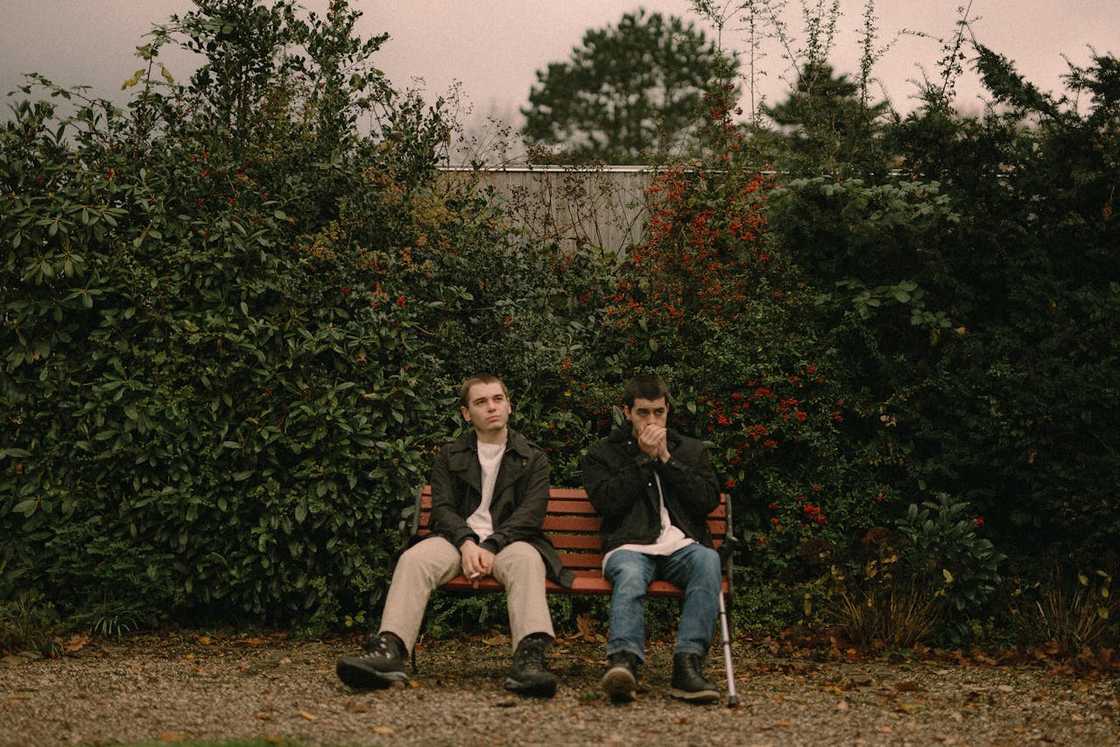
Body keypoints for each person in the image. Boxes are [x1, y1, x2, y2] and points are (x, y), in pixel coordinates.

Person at [337, 374, 571, 697]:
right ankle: (389, 651)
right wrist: (466, 542)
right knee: (414, 559)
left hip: (510, 543)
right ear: (466, 414)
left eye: (497, 399)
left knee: (529, 561)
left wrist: (491, 544)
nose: (491, 407)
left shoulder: (533, 458)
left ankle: (529, 660)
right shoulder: (450, 455)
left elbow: (530, 515)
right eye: (480, 402)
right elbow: (443, 509)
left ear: (509, 406)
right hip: (455, 542)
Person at [581, 374, 723, 704]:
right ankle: (624, 663)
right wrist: (643, 459)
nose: (652, 420)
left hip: (681, 546)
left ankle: (687, 664)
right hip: (629, 545)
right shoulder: (603, 454)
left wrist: (666, 461)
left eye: (658, 412)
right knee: (630, 576)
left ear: (668, 410)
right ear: (627, 412)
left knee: (708, 560)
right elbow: (607, 503)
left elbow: (706, 500)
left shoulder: (689, 449)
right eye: (643, 412)